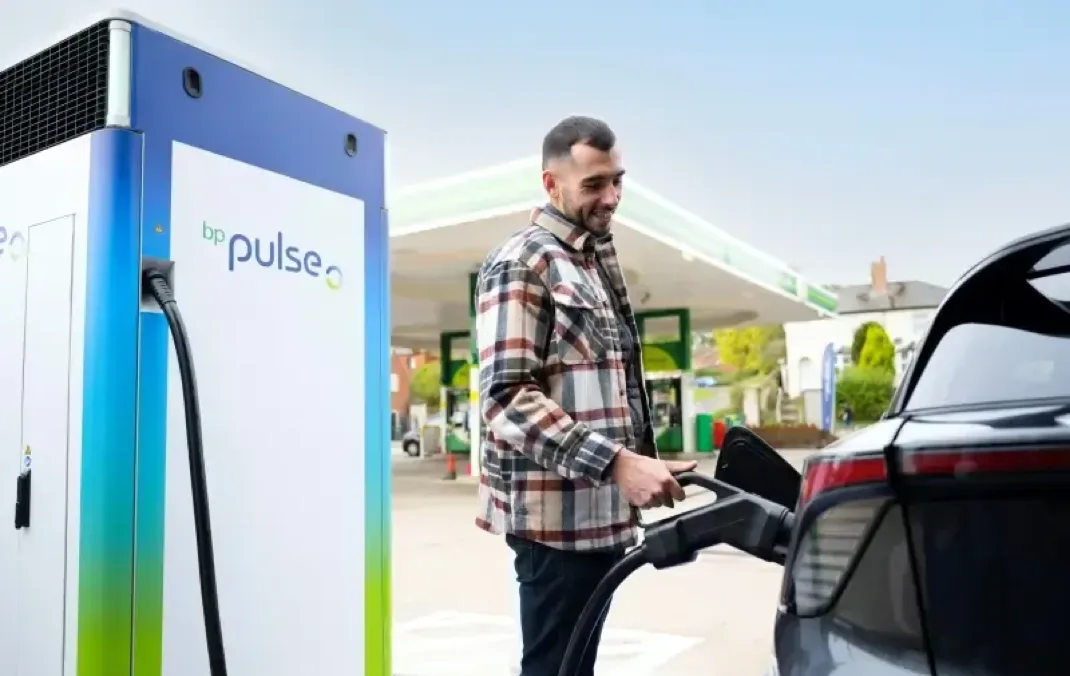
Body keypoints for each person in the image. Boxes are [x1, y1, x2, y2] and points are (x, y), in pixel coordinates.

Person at [473, 115, 697, 676]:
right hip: (555, 525)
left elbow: (601, 384)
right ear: (551, 184)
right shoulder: (524, 261)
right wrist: (618, 463)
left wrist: (640, 459)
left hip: (600, 517)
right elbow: (505, 396)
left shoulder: (592, 262)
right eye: (594, 184)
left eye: (618, 181)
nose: (612, 197)